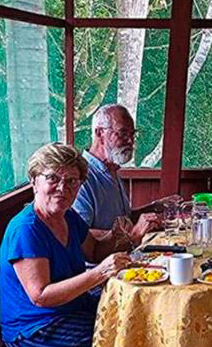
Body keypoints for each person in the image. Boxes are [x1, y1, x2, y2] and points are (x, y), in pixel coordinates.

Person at [0, 142, 212, 347]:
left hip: (70, 310)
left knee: (146, 319)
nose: (63, 187)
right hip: (34, 329)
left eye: (72, 181)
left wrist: (121, 235)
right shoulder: (27, 228)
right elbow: (41, 296)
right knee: (131, 335)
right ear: (34, 180)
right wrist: (100, 273)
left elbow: (96, 250)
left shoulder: (68, 218)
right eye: (53, 178)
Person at [73, 104, 180, 248]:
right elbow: (80, 234)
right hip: (102, 265)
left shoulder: (112, 169)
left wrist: (155, 207)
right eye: (123, 133)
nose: (130, 141)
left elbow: (124, 220)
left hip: (124, 253)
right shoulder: (80, 176)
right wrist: (133, 234)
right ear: (99, 133)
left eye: (132, 134)